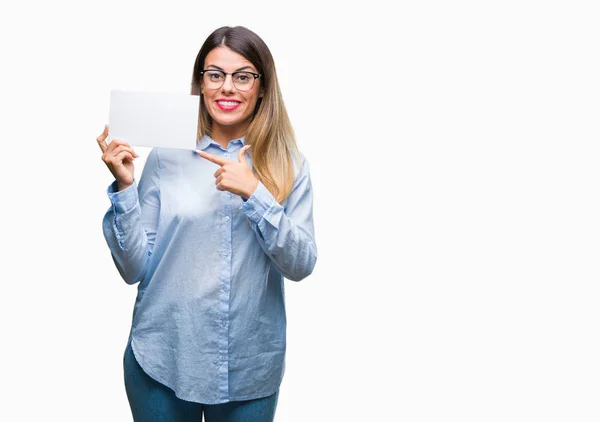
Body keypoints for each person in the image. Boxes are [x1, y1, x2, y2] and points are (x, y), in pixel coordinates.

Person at [95, 26, 317, 422]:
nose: (227, 88)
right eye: (215, 74)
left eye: (242, 76)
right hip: (162, 359)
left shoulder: (289, 164)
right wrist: (125, 186)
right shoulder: (167, 155)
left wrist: (256, 193)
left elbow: (301, 265)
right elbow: (132, 269)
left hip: (250, 370)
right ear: (201, 83)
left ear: (262, 87)